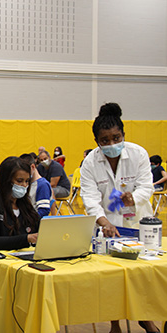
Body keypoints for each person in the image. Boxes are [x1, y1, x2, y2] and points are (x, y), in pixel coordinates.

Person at [80, 102, 156, 333]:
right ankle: (114, 324)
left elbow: (147, 186)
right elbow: (90, 198)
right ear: (97, 142)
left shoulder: (138, 153)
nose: (112, 144)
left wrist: (134, 197)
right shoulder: (90, 163)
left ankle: (146, 318)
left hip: (137, 221)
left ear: (123, 135)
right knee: (111, 276)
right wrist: (104, 222)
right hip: (107, 224)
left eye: (116, 137)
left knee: (142, 273)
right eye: (105, 140)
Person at [0, 156, 40, 252]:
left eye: (27, 181)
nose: (25, 185)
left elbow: (39, 228)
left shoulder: (25, 205)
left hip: (22, 259)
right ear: (6, 181)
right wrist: (26, 239)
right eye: (19, 181)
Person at [20, 153, 53, 217]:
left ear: (32, 167)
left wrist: (27, 221)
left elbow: (43, 211)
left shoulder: (42, 185)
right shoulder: (28, 183)